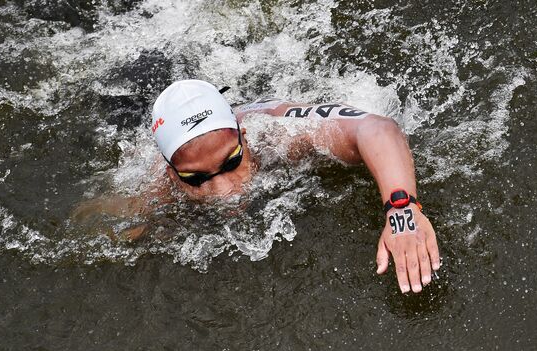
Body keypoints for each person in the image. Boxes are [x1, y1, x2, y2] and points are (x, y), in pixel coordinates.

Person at [150, 79, 440, 294]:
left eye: (231, 162)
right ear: (172, 174)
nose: (226, 191)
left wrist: (402, 210)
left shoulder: (280, 134)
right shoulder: (154, 188)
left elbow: (377, 128)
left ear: (245, 136)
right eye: (196, 178)